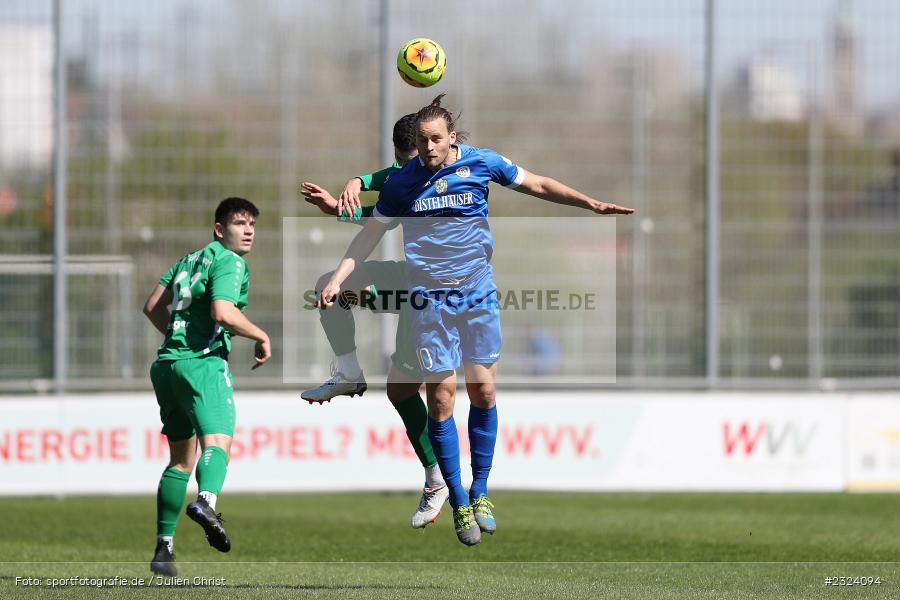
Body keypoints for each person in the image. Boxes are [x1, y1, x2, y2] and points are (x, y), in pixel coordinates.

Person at [319, 95, 633, 546]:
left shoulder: (483, 164)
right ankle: (459, 500)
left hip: (477, 291)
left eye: (435, 139)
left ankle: (482, 489)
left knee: (483, 389)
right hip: (429, 301)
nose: (428, 147)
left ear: (452, 138)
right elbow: (369, 236)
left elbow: (538, 184)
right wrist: (338, 279)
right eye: (422, 140)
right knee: (442, 399)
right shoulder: (402, 184)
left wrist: (591, 205)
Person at [299, 113, 450, 529]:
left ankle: (440, 478)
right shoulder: (412, 172)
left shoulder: (437, 178)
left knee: (408, 391)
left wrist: (347, 198)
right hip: (411, 277)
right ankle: (348, 370)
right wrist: (358, 181)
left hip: (437, 293)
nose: (404, 170)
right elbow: (388, 186)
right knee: (329, 285)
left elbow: (386, 213)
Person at [142, 197, 271, 575]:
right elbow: (222, 312)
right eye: (239, 224)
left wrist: (177, 341)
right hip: (202, 365)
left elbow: (152, 306)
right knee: (217, 441)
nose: (247, 231)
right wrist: (261, 335)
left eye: (251, 224)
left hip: (167, 366)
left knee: (181, 459)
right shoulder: (230, 261)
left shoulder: (187, 260)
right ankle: (207, 502)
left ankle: (164, 548)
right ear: (219, 229)